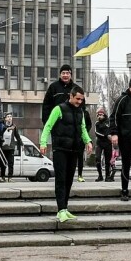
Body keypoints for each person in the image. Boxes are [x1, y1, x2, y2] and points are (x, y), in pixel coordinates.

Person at [40, 85, 94, 223]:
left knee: (69, 180)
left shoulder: (80, 112)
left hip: (74, 150)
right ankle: (61, 210)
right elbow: (48, 126)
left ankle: (65, 208)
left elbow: (82, 129)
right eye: (77, 99)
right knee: (61, 180)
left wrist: (88, 141)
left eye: (81, 100)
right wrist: (43, 142)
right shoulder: (59, 109)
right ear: (71, 96)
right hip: (60, 149)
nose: (79, 102)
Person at [92, 107, 114, 181]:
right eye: (98, 115)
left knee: (107, 161)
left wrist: (112, 136)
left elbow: (111, 130)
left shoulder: (109, 122)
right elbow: (97, 133)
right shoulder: (97, 123)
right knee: (97, 158)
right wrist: (106, 135)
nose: (99, 116)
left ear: (104, 114)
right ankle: (100, 175)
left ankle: (107, 176)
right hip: (100, 143)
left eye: (100, 114)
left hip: (108, 143)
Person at [0, 113, 20, 181]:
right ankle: (2, 176)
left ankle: (10, 177)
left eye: (10, 116)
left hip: (11, 147)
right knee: (3, 162)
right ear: (5, 118)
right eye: (8, 117)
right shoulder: (2, 126)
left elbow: (17, 136)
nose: (9, 118)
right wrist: (7, 128)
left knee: (11, 163)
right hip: (3, 147)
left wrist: (21, 143)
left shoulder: (14, 127)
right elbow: (0, 133)